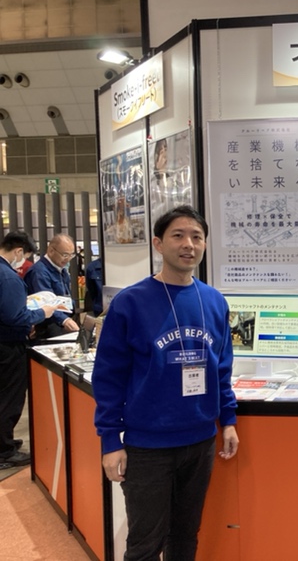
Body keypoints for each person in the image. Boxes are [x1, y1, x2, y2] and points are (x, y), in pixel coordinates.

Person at [92, 205, 239, 560]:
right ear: (158, 244)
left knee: (186, 535)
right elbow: (108, 376)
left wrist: (228, 420)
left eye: (197, 237)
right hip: (148, 446)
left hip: (200, 440)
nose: (189, 244)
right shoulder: (130, 302)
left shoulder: (214, 301)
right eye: (178, 235)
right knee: (145, 543)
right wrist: (110, 440)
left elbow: (221, 368)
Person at [0, 232, 67, 469]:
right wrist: (42, 313)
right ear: (19, 251)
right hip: (8, 347)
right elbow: (14, 316)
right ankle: (4, 451)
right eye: (25, 256)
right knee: (9, 399)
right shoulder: (8, 277)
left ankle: (4, 442)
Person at [24, 233, 79, 339]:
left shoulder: (61, 269)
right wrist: (64, 320)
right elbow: (45, 302)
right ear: (51, 251)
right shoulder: (39, 272)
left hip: (61, 321)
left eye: (71, 255)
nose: (68, 259)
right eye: (65, 255)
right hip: (47, 325)